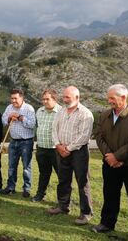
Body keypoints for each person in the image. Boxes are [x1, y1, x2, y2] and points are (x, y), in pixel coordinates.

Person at [93, 84, 128, 241]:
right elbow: (99, 136)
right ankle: (106, 223)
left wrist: (117, 157)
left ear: (123, 97)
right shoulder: (104, 114)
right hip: (110, 165)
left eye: (112, 98)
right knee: (110, 195)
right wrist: (109, 156)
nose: (108, 100)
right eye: (108, 97)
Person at [47, 86, 94, 226]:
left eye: (68, 97)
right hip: (61, 149)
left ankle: (86, 213)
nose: (64, 99)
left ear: (77, 97)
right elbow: (54, 128)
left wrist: (68, 148)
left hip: (78, 151)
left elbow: (84, 136)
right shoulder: (61, 111)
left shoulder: (86, 114)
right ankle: (63, 206)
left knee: (82, 182)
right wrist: (58, 145)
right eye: (64, 96)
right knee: (63, 179)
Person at [1, 89, 36, 198]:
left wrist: (20, 118)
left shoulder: (29, 108)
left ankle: (26, 188)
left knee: (26, 166)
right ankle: (11, 187)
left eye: (15, 98)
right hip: (13, 141)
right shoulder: (9, 108)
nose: (13, 100)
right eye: (12, 98)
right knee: (11, 166)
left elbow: (32, 124)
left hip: (26, 141)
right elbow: (3, 121)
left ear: (22, 98)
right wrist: (9, 117)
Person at [32, 89, 62, 202]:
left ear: (54, 99)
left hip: (56, 149)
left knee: (61, 175)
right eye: (43, 99)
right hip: (41, 148)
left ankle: (62, 199)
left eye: (47, 99)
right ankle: (40, 195)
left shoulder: (62, 111)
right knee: (43, 173)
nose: (44, 101)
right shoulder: (39, 111)